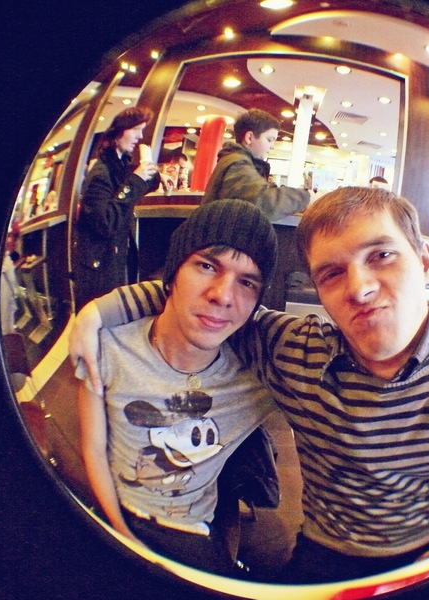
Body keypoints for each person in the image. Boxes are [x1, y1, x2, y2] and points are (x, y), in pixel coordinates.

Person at [71, 188, 429, 584]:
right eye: (332, 273)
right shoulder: (293, 351)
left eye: (382, 256)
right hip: (319, 548)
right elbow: (200, 303)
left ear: (426, 262)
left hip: (425, 548)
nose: (360, 289)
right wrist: (94, 313)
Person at [76, 199, 280, 576]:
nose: (222, 295)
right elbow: (93, 448)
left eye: (247, 282)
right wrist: (124, 535)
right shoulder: (106, 349)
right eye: (207, 266)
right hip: (113, 515)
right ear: (172, 274)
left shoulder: (257, 378)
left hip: (190, 532)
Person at [72, 106, 161, 311]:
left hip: (112, 260)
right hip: (99, 268)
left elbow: (141, 186)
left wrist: (154, 174)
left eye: (142, 130)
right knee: (100, 321)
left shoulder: (119, 165)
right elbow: (105, 222)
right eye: (136, 129)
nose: (140, 136)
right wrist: (136, 179)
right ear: (119, 131)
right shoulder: (101, 172)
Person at [201, 108, 310, 220]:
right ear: (249, 137)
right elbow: (263, 202)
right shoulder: (236, 164)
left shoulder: (239, 161)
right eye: (269, 140)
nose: (272, 146)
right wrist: (307, 197)